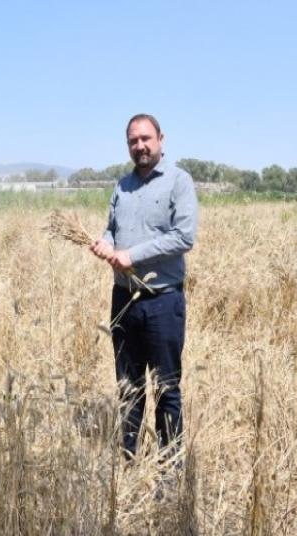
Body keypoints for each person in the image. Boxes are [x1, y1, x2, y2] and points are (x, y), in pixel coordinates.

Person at [90, 113, 198, 460]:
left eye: (146, 139)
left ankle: (167, 473)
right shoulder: (122, 186)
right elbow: (112, 228)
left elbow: (183, 237)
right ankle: (129, 461)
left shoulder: (179, 182)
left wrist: (131, 255)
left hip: (163, 302)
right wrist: (104, 243)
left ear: (161, 139)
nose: (140, 146)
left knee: (166, 390)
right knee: (128, 388)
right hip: (124, 300)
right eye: (133, 141)